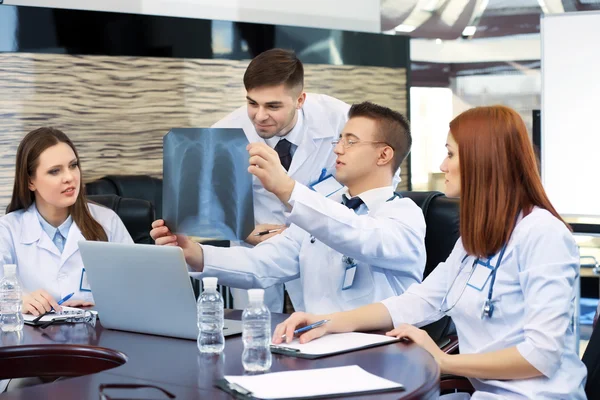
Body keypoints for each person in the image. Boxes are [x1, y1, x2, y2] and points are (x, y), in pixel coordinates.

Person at [272, 105, 587, 399]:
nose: (442, 166)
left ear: (483, 160)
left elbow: (541, 354)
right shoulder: (475, 239)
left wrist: (444, 362)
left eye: (450, 154)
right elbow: (423, 300)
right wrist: (326, 321)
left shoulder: (543, 234)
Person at [152, 102, 426, 314]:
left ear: (384, 154)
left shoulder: (404, 214)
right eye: (339, 139)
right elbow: (262, 264)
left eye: (350, 141)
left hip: (381, 352)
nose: (338, 150)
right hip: (318, 347)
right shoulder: (325, 210)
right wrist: (195, 254)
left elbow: (358, 234)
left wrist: (286, 187)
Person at [212, 48, 352, 312]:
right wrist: (240, 229)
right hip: (254, 243)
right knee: (254, 326)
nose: (260, 116)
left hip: (320, 241)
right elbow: (212, 198)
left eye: (273, 106)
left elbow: (375, 180)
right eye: (252, 103)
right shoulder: (224, 133)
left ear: (300, 99)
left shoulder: (340, 120)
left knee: (321, 323)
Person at [0, 127, 133, 316]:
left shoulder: (107, 221)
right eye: (55, 171)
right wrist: (19, 300)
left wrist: (95, 303)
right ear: (31, 182)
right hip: (35, 341)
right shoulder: (8, 229)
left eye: (73, 165)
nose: (70, 177)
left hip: (96, 338)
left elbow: (135, 288)